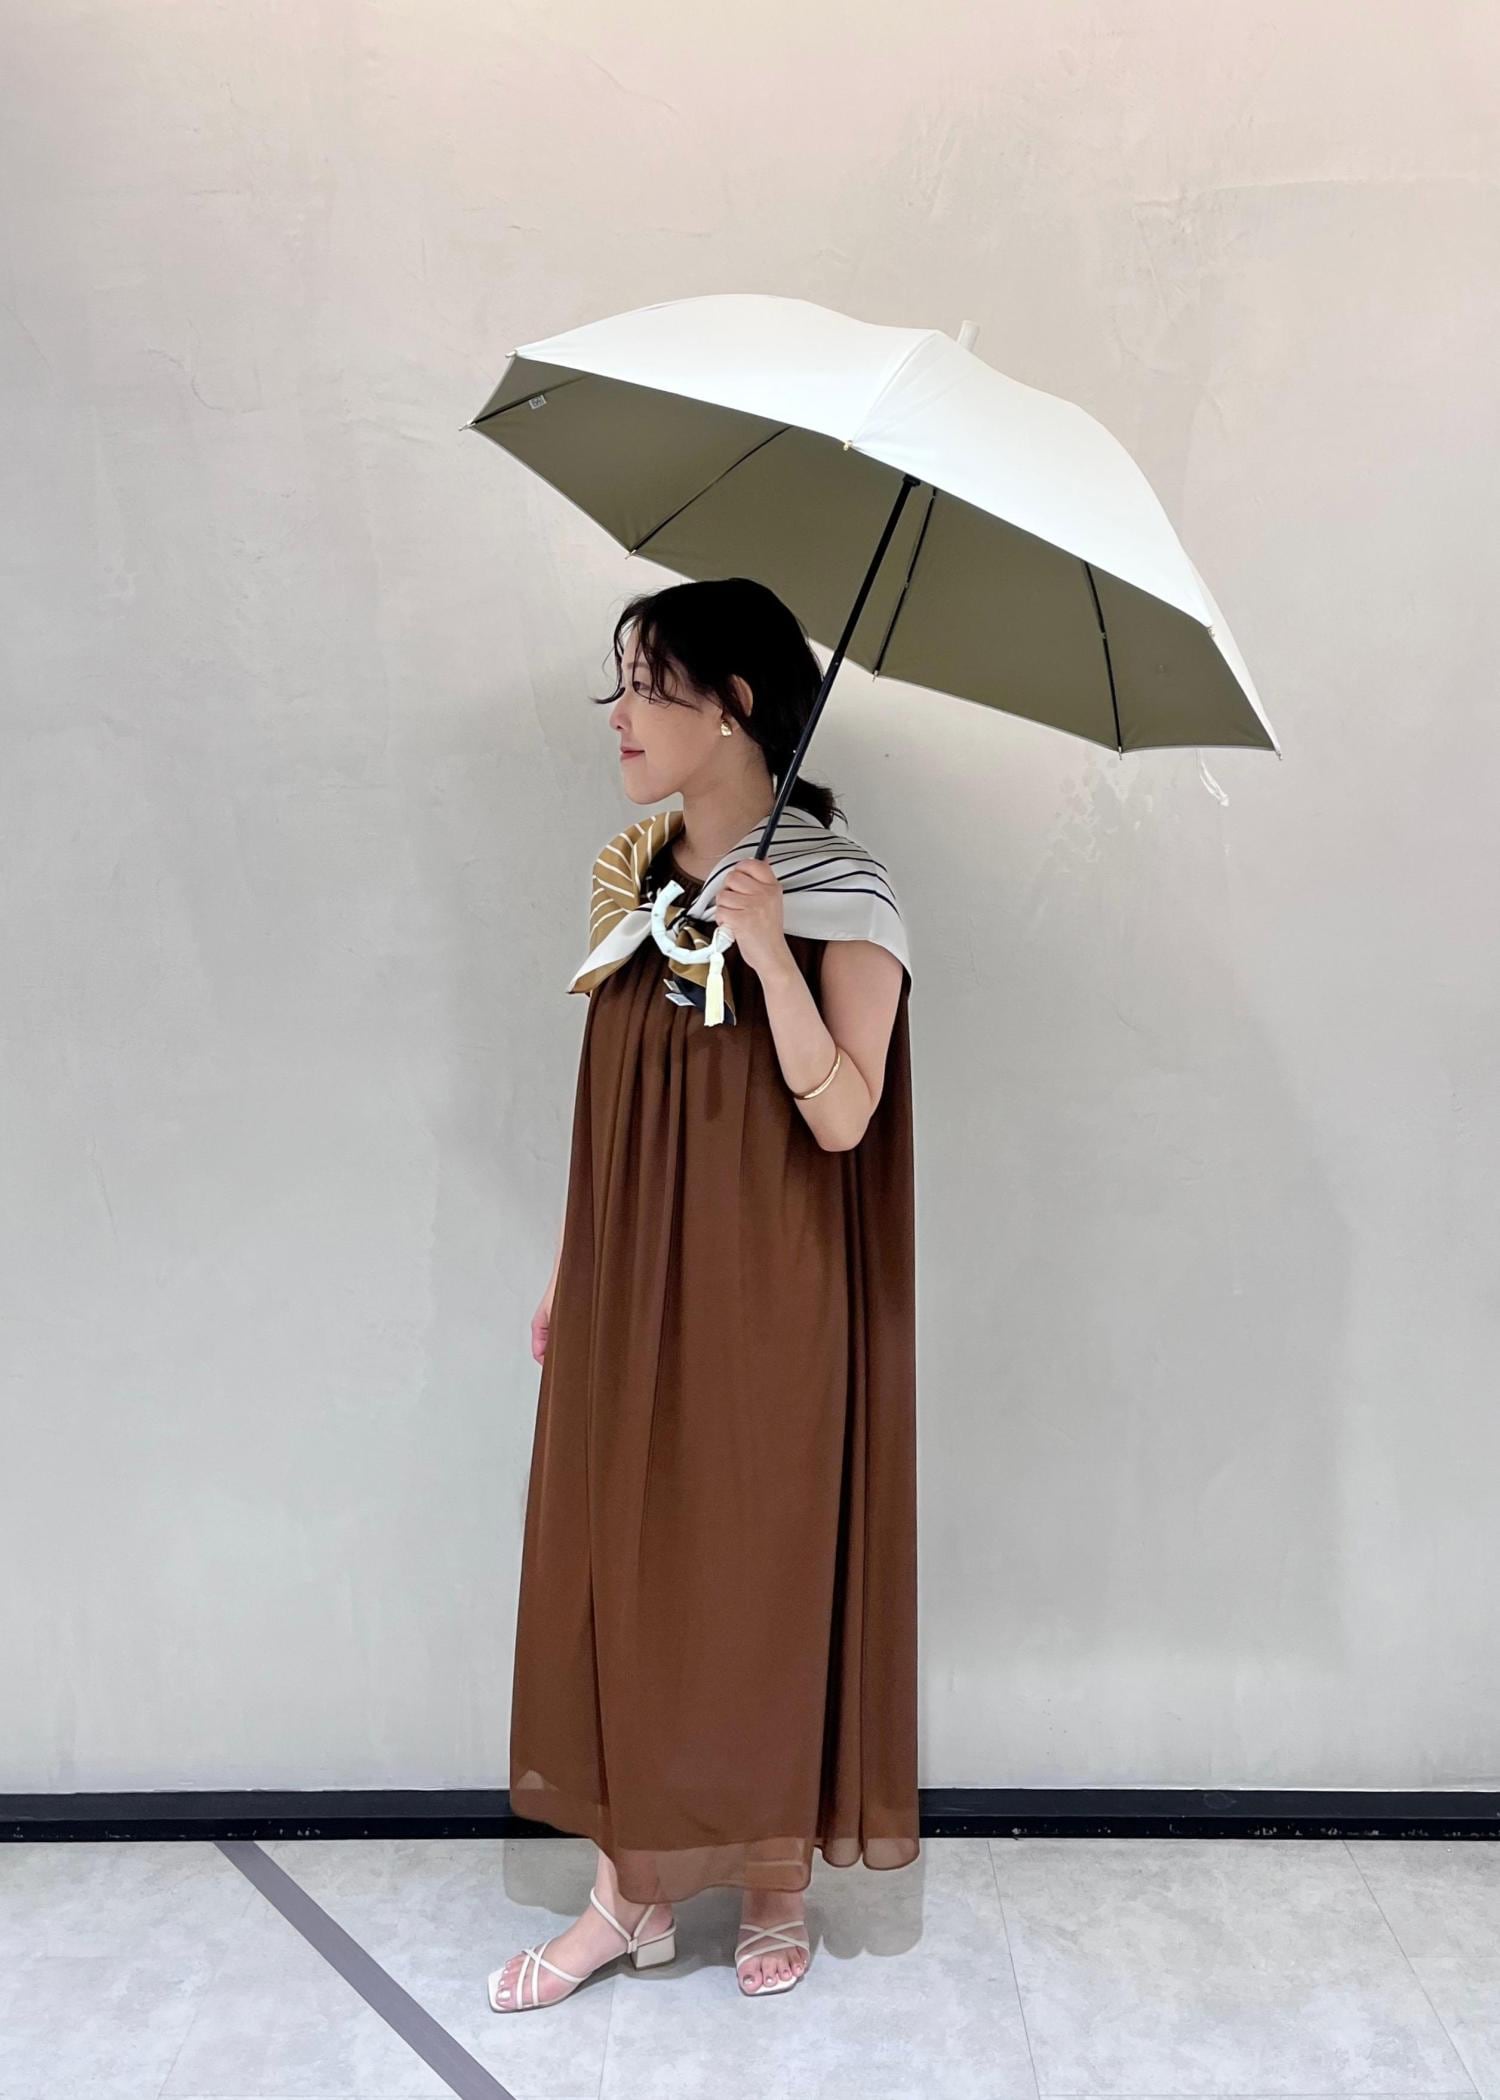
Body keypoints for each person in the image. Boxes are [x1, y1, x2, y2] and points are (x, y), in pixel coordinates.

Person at [487, 577, 919, 2012]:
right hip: (631, 1284)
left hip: (774, 1291)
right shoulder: (635, 884)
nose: (617, 715)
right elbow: (607, 1109)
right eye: (614, 683)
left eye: (648, 685)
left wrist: (773, 951)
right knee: (631, 1568)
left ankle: (775, 1873)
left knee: (761, 1572)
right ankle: (637, 1890)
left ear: (734, 705)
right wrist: (571, 1271)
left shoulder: (843, 894)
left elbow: (845, 1116)